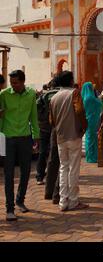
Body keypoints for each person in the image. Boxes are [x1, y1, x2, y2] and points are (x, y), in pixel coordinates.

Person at [0, 70, 40, 222]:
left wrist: (36, 136)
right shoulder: (3, 94)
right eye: (11, 83)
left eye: (16, 83)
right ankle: (9, 209)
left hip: (25, 137)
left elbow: (34, 117)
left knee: (26, 171)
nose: (13, 86)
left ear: (23, 81)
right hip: (8, 138)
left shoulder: (30, 95)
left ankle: (20, 200)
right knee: (9, 174)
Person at [50, 71, 88, 212]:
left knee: (63, 168)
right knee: (73, 169)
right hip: (73, 135)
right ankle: (73, 201)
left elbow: (51, 120)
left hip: (60, 137)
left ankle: (62, 201)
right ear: (71, 81)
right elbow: (79, 111)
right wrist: (84, 127)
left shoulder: (54, 97)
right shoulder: (74, 94)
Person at [36, 76, 61, 185]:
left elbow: (36, 108)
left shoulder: (43, 96)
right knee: (55, 152)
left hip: (43, 127)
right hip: (56, 127)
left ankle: (39, 176)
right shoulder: (60, 95)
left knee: (42, 152)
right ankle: (54, 177)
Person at [81, 82, 103, 163]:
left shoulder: (83, 98)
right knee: (92, 138)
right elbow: (100, 104)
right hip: (93, 120)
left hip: (87, 119)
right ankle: (92, 156)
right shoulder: (91, 97)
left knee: (89, 138)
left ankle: (90, 156)